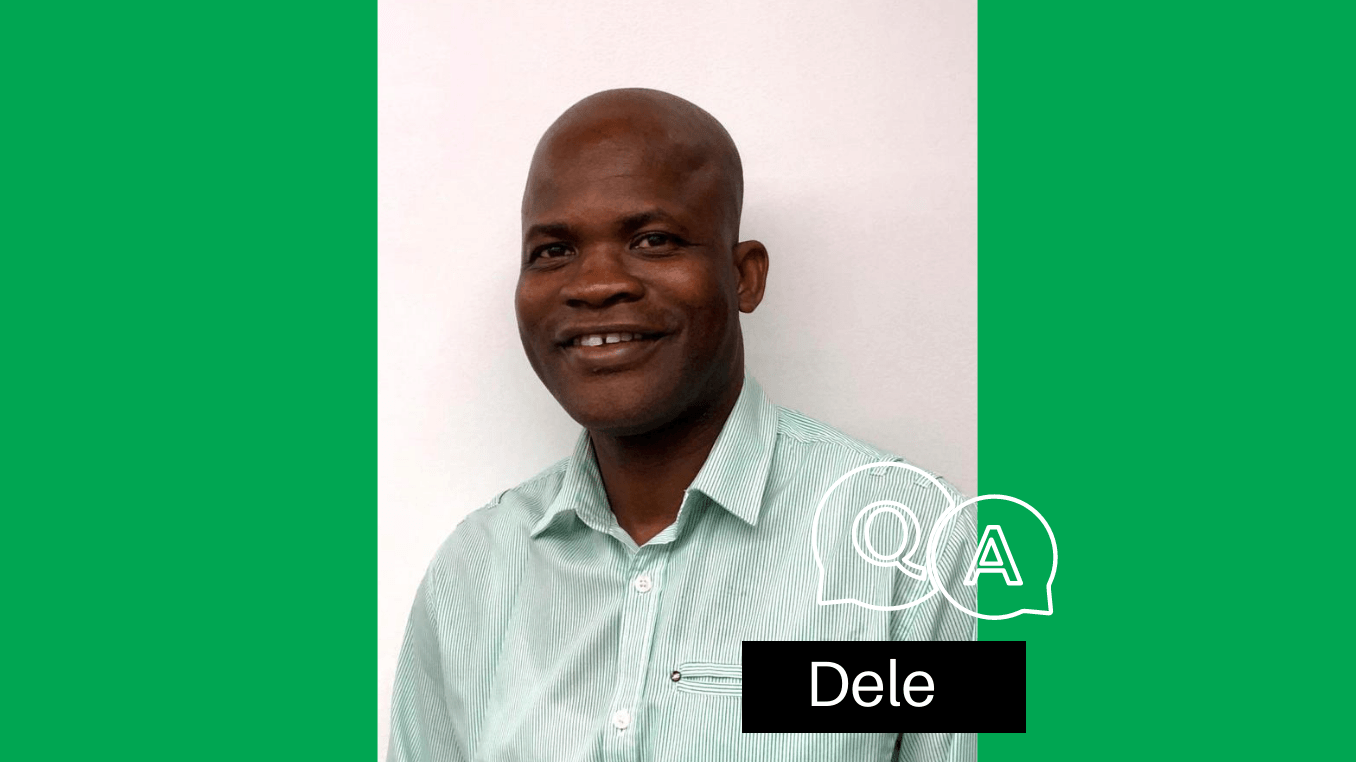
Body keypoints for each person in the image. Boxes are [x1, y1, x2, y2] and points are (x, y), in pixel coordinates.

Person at [387, 88, 976, 762]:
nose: (597, 283)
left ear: (743, 275)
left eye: (653, 239)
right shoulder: (474, 573)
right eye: (552, 250)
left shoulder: (920, 552)